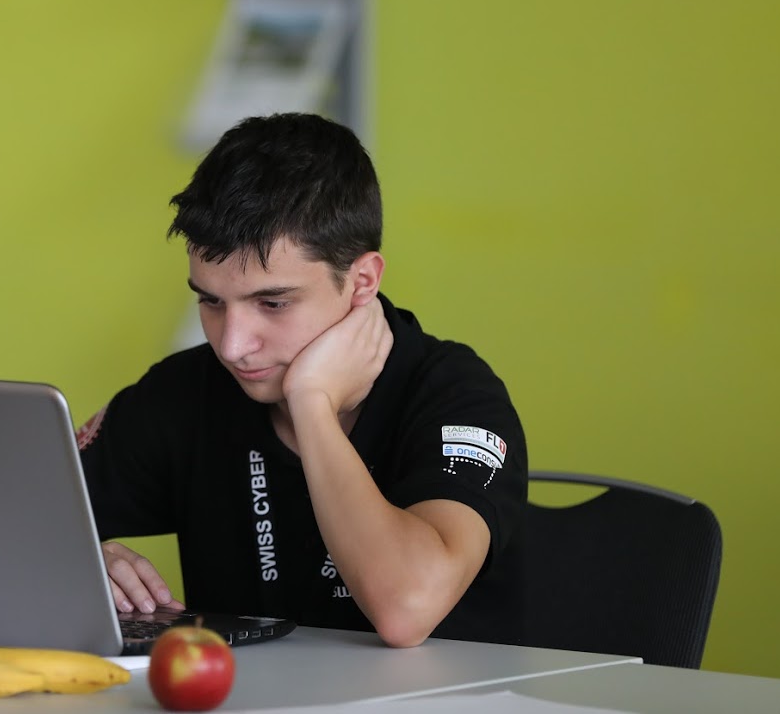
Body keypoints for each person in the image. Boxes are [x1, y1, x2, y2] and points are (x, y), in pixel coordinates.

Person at [78, 112, 527, 648]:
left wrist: (311, 402)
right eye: (211, 301)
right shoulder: (186, 390)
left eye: (272, 303)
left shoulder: (456, 395)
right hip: (244, 693)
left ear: (362, 281)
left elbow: (406, 611)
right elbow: (1, 515)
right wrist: (76, 559)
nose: (232, 346)